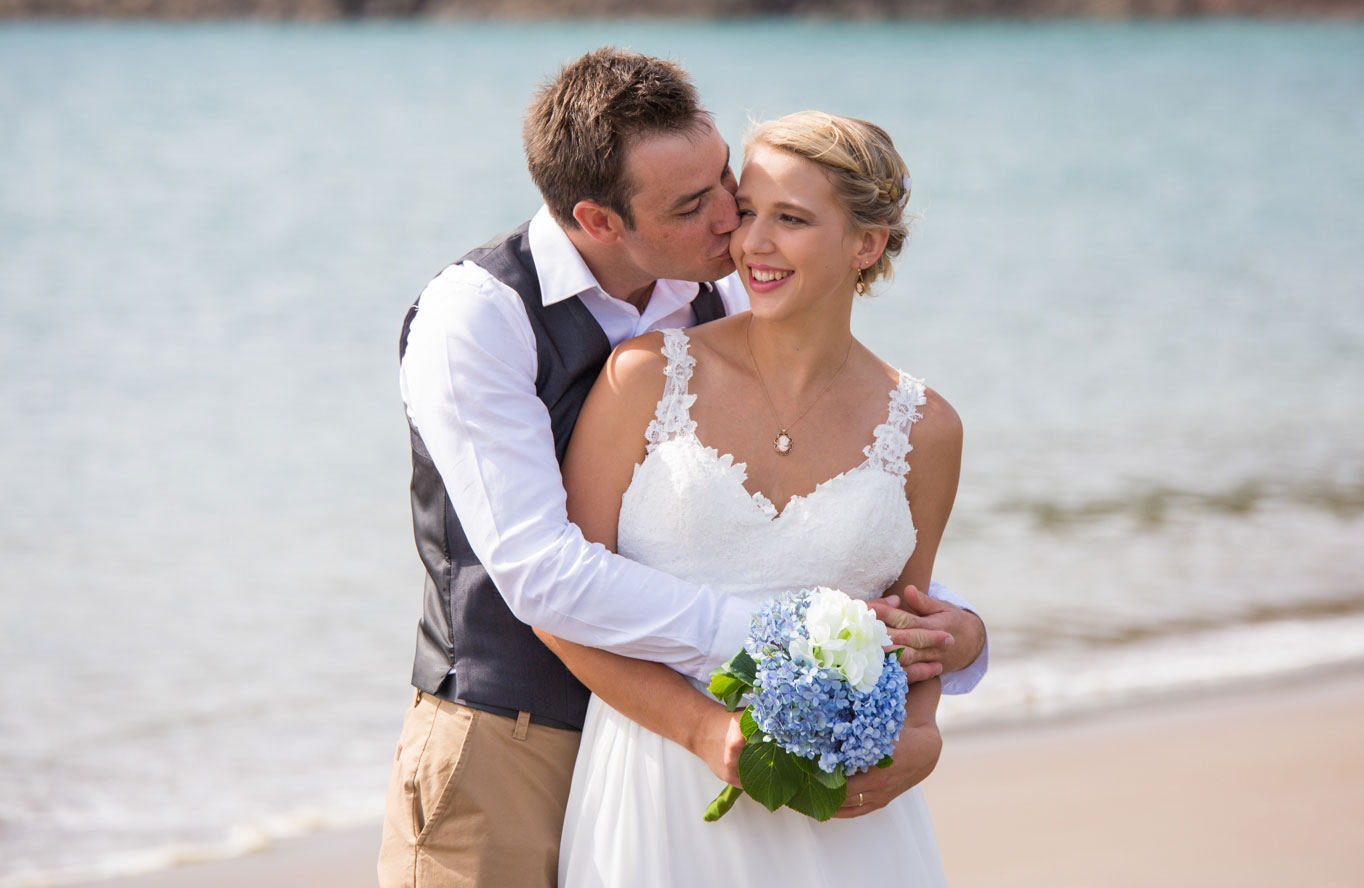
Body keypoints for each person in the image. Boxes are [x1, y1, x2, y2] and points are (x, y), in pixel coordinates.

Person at [379, 49, 987, 888]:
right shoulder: (476, 316)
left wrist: (955, 634)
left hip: (726, 748)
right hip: (505, 738)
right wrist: (780, 643)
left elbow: (828, 525)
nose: (735, 223)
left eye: (725, 181)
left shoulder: (725, 291)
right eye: (698, 204)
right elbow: (540, 574)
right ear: (599, 221)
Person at [541, 111, 958, 885]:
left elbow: (913, 632)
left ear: (865, 244)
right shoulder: (643, 378)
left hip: (845, 820)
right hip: (656, 789)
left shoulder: (926, 428)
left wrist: (922, 739)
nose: (751, 243)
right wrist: (704, 733)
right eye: (748, 211)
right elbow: (562, 611)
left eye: (791, 220)